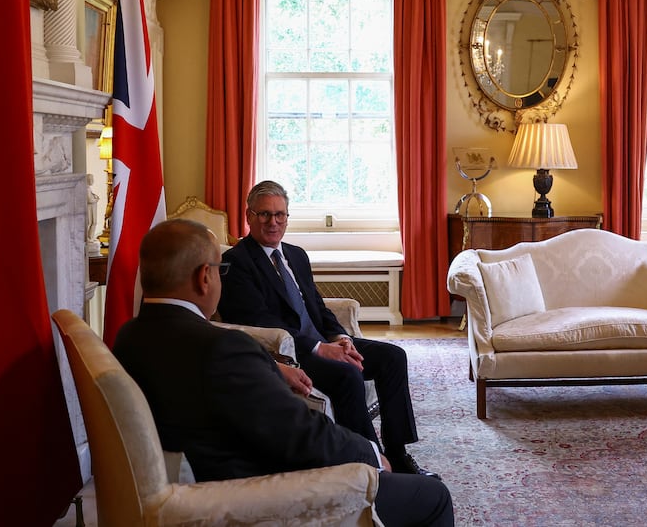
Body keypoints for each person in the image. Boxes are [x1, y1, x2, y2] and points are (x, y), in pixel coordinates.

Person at [113, 219, 454, 526]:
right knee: (433, 497)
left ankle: (396, 449)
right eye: (219, 271)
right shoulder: (223, 349)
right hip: (252, 493)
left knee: (390, 358)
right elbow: (301, 436)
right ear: (205, 277)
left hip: (196, 479)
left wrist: (277, 362)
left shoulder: (127, 336)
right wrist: (369, 453)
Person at [218, 180, 437, 478]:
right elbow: (259, 321)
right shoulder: (236, 262)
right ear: (249, 216)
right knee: (347, 375)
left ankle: (397, 454)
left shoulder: (296, 255)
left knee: (393, 357)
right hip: (291, 354)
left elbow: (318, 307)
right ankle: (372, 463)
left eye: (280, 214)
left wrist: (341, 337)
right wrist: (320, 348)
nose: (273, 222)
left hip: (324, 341)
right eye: (264, 214)